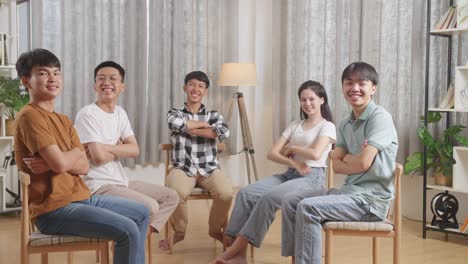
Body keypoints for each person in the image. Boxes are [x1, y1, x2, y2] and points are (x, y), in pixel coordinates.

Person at [14, 48, 149, 264]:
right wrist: (72, 154)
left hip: (81, 198)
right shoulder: (30, 116)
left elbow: (84, 166)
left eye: (56, 73)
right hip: (53, 211)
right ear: (26, 81)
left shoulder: (64, 120)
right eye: (43, 73)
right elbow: (61, 164)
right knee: (128, 230)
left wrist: (64, 159)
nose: (52, 78)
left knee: (141, 212)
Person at [281, 62, 398, 264]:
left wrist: (350, 159)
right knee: (291, 201)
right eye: (349, 83)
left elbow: (361, 163)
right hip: (349, 193)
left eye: (362, 83)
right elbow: (336, 164)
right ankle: (298, 260)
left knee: (308, 207)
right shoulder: (345, 123)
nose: (355, 88)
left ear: (373, 88)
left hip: (370, 202)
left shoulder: (380, 118)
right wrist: (352, 159)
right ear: (343, 87)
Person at [211, 80, 336, 264]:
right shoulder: (296, 124)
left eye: (312, 99)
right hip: (290, 174)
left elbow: (316, 153)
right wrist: (293, 163)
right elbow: (272, 153)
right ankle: (239, 255)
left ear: (322, 100)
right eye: (303, 100)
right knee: (246, 193)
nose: (307, 103)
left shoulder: (327, 126)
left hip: (312, 178)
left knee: (269, 198)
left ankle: (233, 252)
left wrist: (293, 148)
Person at [74, 61, 179, 250]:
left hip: (120, 181)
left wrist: (108, 147)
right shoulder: (87, 114)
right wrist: (119, 147)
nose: (107, 82)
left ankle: (132, 241)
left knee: (171, 196)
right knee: (151, 207)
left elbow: (135, 150)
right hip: (98, 185)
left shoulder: (120, 113)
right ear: (94, 85)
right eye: (101, 79)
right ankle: (128, 244)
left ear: (122, 86)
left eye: (113, 79)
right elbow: (97, 158)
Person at [166, 71, 233, 245]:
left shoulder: (214, 115)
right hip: (182, 167)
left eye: (201, 86)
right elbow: (176, 123)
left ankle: (214, 229)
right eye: (192, 84)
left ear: (206, 91)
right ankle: (179, 231)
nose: (196, 89)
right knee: (175, 192)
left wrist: (189, 128)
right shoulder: (175, 112)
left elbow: (223, 132)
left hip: (209, 167)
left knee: (226, 194)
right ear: (185, 88)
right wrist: (206, 127)